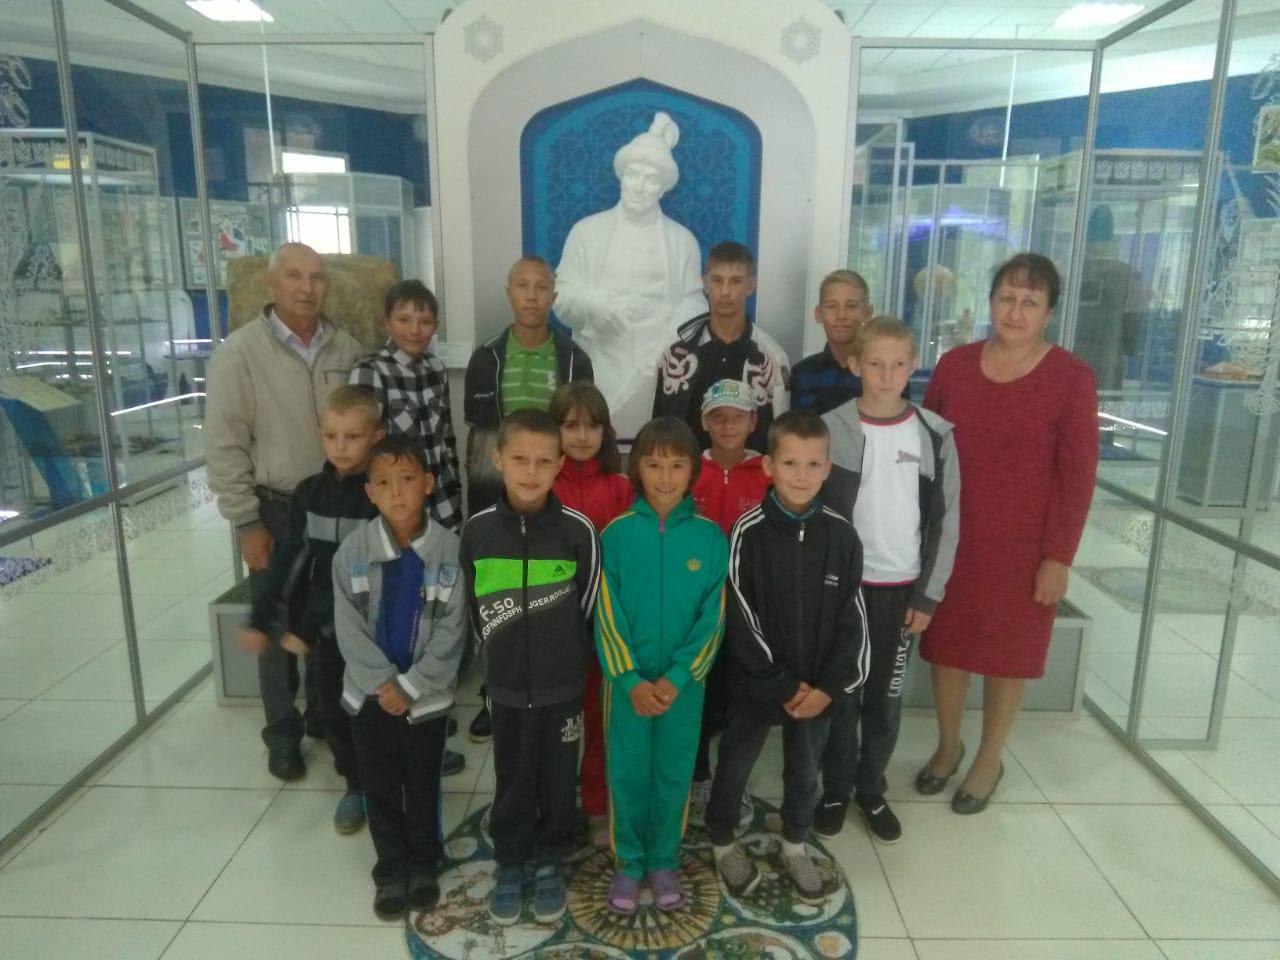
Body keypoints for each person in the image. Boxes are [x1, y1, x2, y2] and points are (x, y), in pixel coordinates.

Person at [918, 254, 1097, 814]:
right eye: (1006, 298)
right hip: (953, 539)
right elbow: (925, 448)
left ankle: (989, 759)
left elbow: (1078, 476)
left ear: (1049, 313)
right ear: (990, 301)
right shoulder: (955, 366)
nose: (1015, 312)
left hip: (1024, 549)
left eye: (1030, 302)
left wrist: (1059, 557)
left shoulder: (1070, 378)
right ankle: (948, 746)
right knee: (947, 647)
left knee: (1006, 656)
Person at [207, 241, 362, 780]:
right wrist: (246, 521)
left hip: (336, 503)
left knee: (329, 615)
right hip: (275, 508)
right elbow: (224, 443)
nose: (306, 287)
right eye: (294, 276)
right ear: (271, 284)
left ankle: (322, 716)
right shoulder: (240, 353)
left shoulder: (346, 348)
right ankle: (282, 733)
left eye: (316, 277)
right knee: (276, 621)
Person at [707, 410, 869, 904]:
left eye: (813, 464)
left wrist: (828, 688)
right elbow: (738, 613)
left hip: (817, 689)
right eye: (790, 463)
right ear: (769, 466)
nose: (802, 475)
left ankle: (795, 842)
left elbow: (853, 619)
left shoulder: (842, 535)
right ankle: (722, 840)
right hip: (757, 684)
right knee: (735, 763)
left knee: (804, 770)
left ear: (827, 469)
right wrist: (778, 683)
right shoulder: (747, 531)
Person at [813, 316, 960, 842]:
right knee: (841, 695)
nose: (886, 374)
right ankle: (835, 789)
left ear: (914, 365)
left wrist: (928, 595)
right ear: (855, 364)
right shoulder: (829, 428)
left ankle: (870, 789)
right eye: (875, 363)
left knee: (885, 698)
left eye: (898, 364)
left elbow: (947, 520)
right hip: (843, 591)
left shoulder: (935, 434)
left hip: (901, 592)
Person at [458, 409, 600, 927]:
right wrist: (497, 666)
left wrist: (568, 660)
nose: (531, 471)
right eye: (520, 459)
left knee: (558, 778)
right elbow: (473, 608)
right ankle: (511, 860)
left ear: (560, 464)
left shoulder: (578, 532)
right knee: (513, 776)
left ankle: (549, 859)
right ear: (498, 459)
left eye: (544, 461)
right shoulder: (477, 532)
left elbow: (589, 607)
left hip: (563, 687)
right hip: (507, 688)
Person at [595, 417, 728, 916]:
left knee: (673, 771)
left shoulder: (711, 539)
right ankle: (629, 862)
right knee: (628, 771)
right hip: (625, 685)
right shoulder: (615, 535)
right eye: (654, 465)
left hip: (683, 687)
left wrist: (676, 678)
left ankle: (663, 860)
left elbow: (713, 617)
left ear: (693, 470)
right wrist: (628, 679)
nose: (665, 477)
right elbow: (605, 611)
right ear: (637, 470)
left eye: (676, 465)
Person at [236, 386, 383, 834]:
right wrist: (265, 619)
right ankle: (355, 786)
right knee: (337, 711)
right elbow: (290, 562)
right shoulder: (309, 493)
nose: (341, 447)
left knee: (381, 706)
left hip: (377, 628)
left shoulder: (384, 491)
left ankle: (395, 770)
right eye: (331, 436)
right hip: (327, 629)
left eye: (353, 436)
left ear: (376, 437)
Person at [331, 436, 467, 920]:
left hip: (424, 700)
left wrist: (410, 687)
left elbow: (453, 630)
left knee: (422, 783)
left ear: (427, 484)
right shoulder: (352, 551)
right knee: (380, 786)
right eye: (384, 483)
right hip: (369, 700)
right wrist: (382, 685)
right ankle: (390, 869)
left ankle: (424, 863)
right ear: (369, 492)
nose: (397, 492)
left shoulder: (450, 550)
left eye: (407, 480)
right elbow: (348, 628)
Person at [462, 256, 595, 744]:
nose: (532, 296)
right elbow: (479, 437)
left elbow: (580, 426)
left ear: (554, 297)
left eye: (542, 287)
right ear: (509, 292)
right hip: (500, 487)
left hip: (554, 486)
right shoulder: (486, 358)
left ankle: (558, 689)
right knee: (497, 597)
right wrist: (480, 503)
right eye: (523, 286)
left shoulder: (575, 358)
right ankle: (493, 695)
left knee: (549, 597)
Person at [555, 111, 706, 440]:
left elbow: (694, 304)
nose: (639, 186)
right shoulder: (586, 233)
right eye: (633, 175)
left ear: (663, 188)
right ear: (621, 177)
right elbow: (561, 295)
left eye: (650, 179)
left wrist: (666, 346)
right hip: (601, 360)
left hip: (656, 366)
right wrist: (592, 304)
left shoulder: (682, 242)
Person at [549, 382, 633, 847]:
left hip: (605, 625)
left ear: (605, 432)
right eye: (570, 425)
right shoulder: (543, 483)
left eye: (592, 426)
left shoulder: (620, 488)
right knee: (559, 722)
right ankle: (557, 804)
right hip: (553, 625)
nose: (582, 436)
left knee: (600, 720)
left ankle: (598, 804)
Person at [686, 378, 771, 827]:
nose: (727, 425)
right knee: (700, 694)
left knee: (740, 697)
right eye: (718, 417)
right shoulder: (689, 470)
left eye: (737, 417)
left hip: (748, 608)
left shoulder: (767, 472)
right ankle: (699, 776)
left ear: (753, 421)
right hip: (696, 607)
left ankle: (731, 781)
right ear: (704, 422)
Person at [349, 279, 463, 531]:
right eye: (403, 320)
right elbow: (362, 448)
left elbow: (447, 438)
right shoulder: (370, 370)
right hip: (395, 500)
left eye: (425, 322)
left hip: (441, 495)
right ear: (386, 322)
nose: (414, 330)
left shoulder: (437, 368)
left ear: (435, 327)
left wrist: (455, 486)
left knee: (445, 554)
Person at [653, 241, 789, 452]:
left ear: (751, 285)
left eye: (736, 281)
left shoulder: (771, 357)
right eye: (717, 280)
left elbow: (782, 438)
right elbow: (659, 431)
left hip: (752, 472)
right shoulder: (677, 355)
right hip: (688, 471)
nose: (725, 292)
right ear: (705, 284)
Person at [789, 270, 876, 415]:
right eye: (832, 306)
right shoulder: (803, 373)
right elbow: (797, 427)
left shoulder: (884, 372)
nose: (841, 315)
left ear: (867, 313)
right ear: (818, 314)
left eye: (851, 306)